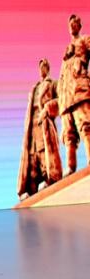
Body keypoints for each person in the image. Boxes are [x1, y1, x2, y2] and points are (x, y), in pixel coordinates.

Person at [18, 58, 62, 199]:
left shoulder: (53, 84)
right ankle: (29, 189)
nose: (41, 69)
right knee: (31, 157)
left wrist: (47, 109)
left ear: (48, 68)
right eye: (40, 67)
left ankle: (49, 179)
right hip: (32, 128)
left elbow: (61, 101)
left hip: (44, 124)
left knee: (45, 153)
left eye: (44, 66)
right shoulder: (34, 88)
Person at [58, 14, 90, 176]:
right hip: (66, 96)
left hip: (80, 89)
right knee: (68, 134)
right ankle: (70, 167)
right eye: (70, 24)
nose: (72, 26)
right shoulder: (66, 51)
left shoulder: (85, 40)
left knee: (85, 124)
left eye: (74, 23)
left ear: (79, 26)